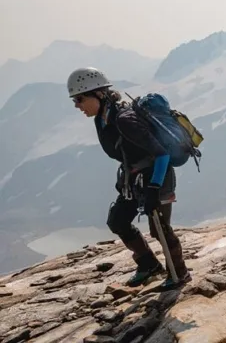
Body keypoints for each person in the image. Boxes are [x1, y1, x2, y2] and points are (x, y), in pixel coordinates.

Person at [67, 67, 190, 289]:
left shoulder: (124, 120)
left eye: (79, 99)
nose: (77, 105)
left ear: (99, 94)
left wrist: (154, 188)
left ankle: (179, 274)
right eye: (75, 100)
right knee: (118, 220)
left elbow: (162, 153)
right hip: (134, 179)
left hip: (157, 176)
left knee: (159, 229)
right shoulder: (102, 119)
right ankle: (148, 265)